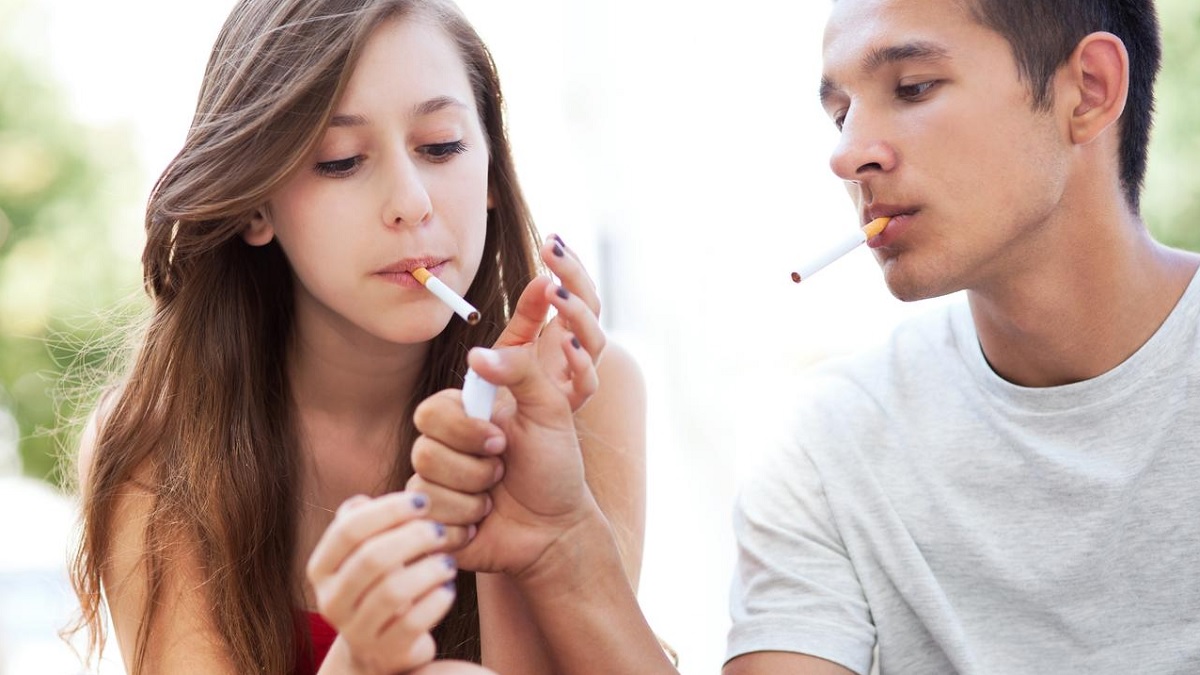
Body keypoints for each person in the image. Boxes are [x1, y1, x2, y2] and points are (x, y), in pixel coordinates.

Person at [412, 0, 1200, 673]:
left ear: (1090, 90)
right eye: (841, 113)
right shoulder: (831, 445)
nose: (847, 154)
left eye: (913, 87)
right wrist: (562, 541)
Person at [66, 1, 647, 674]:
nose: (410, 202)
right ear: (255, 205)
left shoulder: (583, 389)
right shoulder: (160, 439)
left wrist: (516, 521)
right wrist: (358, 661)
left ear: (491, 168)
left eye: (441, 147)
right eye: (341, 161)